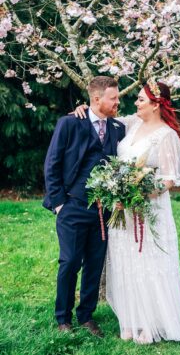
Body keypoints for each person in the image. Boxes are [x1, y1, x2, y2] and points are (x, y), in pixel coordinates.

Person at [73, 80, 180, 344]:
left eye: (140, 99)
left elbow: (169, 180)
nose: (135, 103)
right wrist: (84, 107)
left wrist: (135, 195)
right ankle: (131, 319)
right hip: (123, 211)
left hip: (147, 209)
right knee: (127, 263)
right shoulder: (132, 123)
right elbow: (102, 113)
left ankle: (152, 324)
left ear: (156, 104)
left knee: (149, 263)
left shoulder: (166, 135)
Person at [43, 76, 124, 337]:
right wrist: (59, 205)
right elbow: (52, 165)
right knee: (69, 262)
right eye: (114, 98)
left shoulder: (118, 128)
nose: (118, 102)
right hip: (72, 207)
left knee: (94, 264)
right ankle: (62, 318)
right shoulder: (69, 123)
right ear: (97, 99)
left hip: (103, 211)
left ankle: (86, 316)